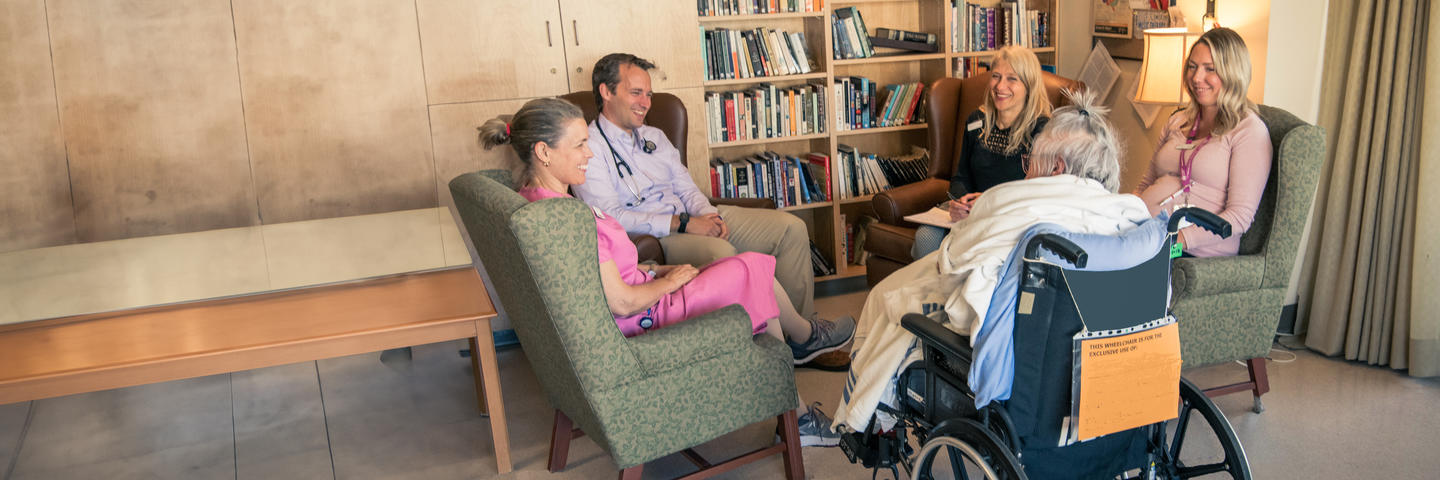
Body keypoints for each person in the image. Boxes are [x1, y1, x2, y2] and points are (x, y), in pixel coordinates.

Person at [478, 97, 853, 446]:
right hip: (645, 316)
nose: (589, 153)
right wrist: (669, 281)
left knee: (741, 270)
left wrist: (657, 269)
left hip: (644, 293)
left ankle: (800, 363)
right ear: (543, 152)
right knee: (752, 267)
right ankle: (800, 386)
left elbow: (596, 276)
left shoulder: (535, 203)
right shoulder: (570, 219)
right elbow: (623, 303)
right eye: (578, 145)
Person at [830, 89, 1153, 433]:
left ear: (1057, 167)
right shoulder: (1129, 217)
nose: (1026, 171)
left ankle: (865, 415)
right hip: (1093, 349)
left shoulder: (1015, 199)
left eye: (1031, 162)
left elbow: (953, 261)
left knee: (889, 297)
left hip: (1018, 346)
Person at [569, 54, 829, 358]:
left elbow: (685, 186)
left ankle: (800, 339)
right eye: (636, 92)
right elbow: (610, 217)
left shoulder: (655, 136)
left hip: (694, 216)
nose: (646, 103)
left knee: (791, 228)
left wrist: (708, 214)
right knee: (725, 255)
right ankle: (756, 351)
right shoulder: (589, 149)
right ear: (606, 92)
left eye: (649, 94)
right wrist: (684, 224)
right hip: (662, 234)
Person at [1134, 27, 1271, 257]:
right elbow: (1144, 184)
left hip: (1192, 249)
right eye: (1192, 67)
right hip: (1145, 232)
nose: (1197, 78)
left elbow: (1238, 218)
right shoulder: (1178, 120)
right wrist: (1121, 214)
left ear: (1232, 73)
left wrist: (1176, 241)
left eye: (1210, 69)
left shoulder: (1249, 130)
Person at [911, 46, 1055, 259]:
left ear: (1029, 85)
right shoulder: (976, 121)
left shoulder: (1042, 130)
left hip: (1009, 217)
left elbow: (1038, 192)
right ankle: (930, 292)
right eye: (995, 76)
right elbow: (961, 176)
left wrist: (986, 204)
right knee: (926, 238)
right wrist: (959, 202)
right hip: (969, 211)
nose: (1000, 86)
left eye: (1011, 79)